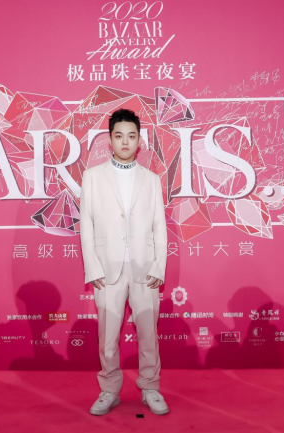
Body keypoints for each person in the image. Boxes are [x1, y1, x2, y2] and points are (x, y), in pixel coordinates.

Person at [79, 108, 169, 416]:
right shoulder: (93, 177)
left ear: (139, 140)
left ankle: (150, 387)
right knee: (107, 337)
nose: (125, 142)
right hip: (107, 267)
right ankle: (109, 389)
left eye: (131, 136)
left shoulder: (151, 180)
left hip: (145, 267)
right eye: (119, 136)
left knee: (148, 334)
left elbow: (159, 227)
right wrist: (93, 266)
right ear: (110, 140)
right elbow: (86, 225)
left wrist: (158, 265)